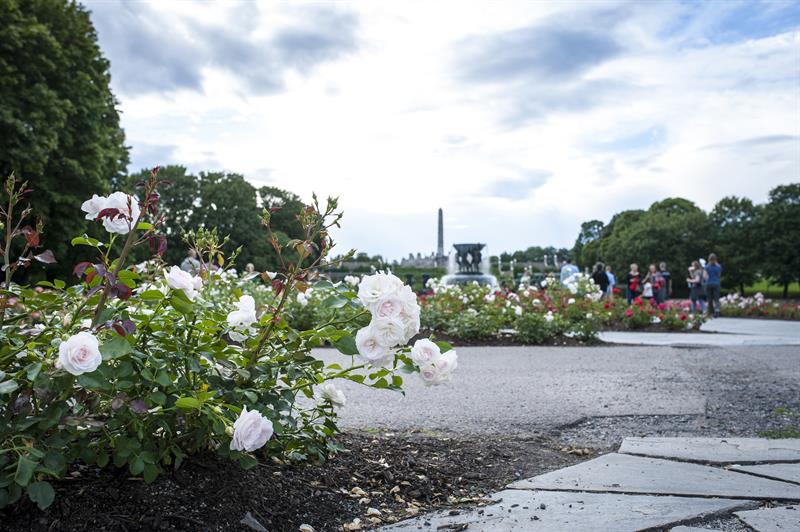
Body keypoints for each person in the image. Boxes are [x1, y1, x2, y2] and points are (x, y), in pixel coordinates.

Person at [704, 253, 723, 318]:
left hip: (708, 284)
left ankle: (710, 312)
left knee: (709, 299)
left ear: (709, 259)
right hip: (716, 284)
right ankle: (717, 311)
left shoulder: (706, 267)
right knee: (716, 299)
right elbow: (719, 275)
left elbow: (705, 276)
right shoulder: (719, 266)